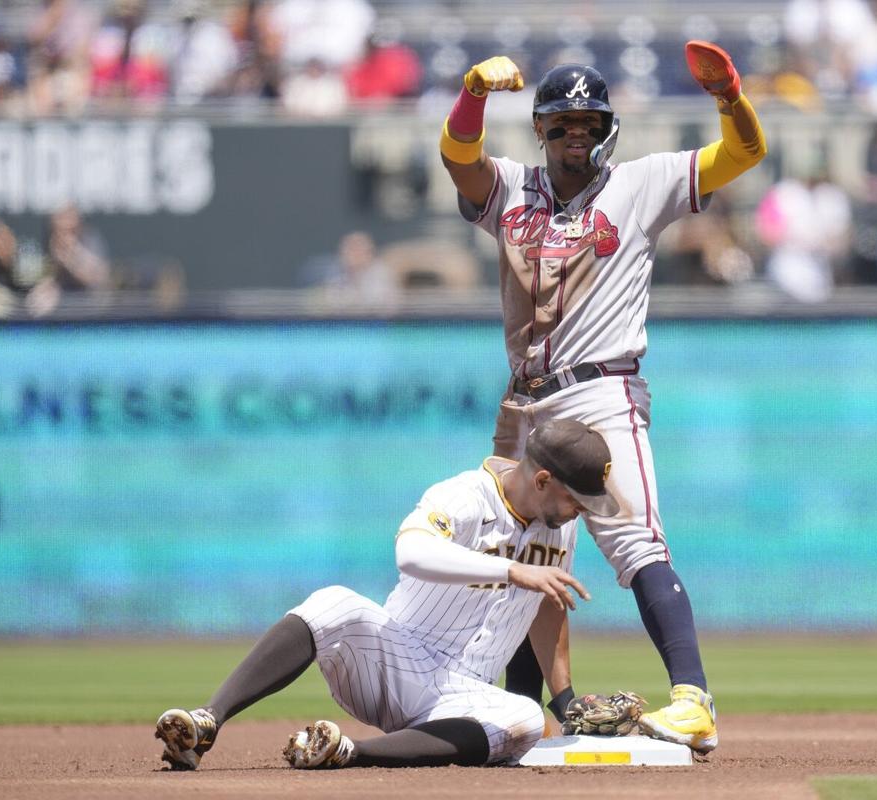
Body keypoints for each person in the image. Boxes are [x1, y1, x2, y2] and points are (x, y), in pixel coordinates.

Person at [438, 43, 766, 754]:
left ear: (608, 128)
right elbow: (459, 161)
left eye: (589, 123)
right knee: (527, 552)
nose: (576, 135)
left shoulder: (640, 184)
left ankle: (694, 700)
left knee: (634, 540)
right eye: (562, 125)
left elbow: (742, 154)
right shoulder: (512, 189)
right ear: (542, 133)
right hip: (525, 405)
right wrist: (471, 97)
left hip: (602, 392)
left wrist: (730, 97)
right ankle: (520, 709)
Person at [156, 418, 618, 770]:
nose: (581, 510)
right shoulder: (464, 496)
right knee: (335, 602)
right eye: (577, 498)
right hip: (391, 660)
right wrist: (512, 570)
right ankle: (206, 721)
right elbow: (411, 552)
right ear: (542, 481)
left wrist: (566, 701)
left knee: (526, 720)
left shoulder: (561, 529)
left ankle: (348, 753)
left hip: (462, 697)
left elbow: (546, 608)